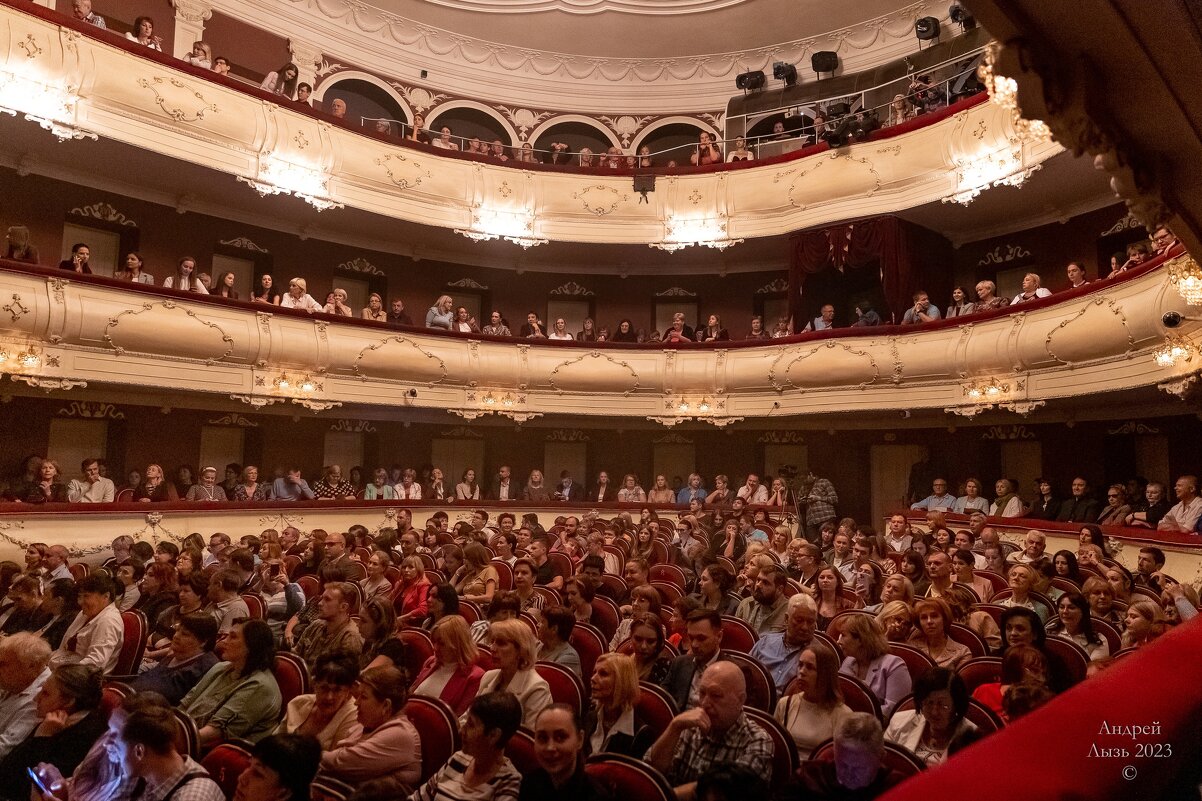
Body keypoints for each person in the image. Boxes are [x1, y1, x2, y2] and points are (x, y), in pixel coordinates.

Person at [645, 661, 773, 800]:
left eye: (716, 695)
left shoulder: (758, 740)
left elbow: (720, 791)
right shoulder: (690, 724)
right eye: (702, 693)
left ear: (741, 699)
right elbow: (651, 772)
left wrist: (662, 797)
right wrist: (674, 727)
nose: (705, 703)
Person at [0, 664, 107, 796]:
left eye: (45, 693)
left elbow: (25, 786)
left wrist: (42, 738)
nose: (35, 698)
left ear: (68, 702)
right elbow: (7, 769)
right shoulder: (57, 720)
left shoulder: (85, 737)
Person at [319, 665, 420, 795]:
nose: (356, 702)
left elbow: (343, 762)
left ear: (386, 705)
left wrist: (307, 754)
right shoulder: (368, 723)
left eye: (364, 697)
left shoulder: (401, 734)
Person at [180, 618, 281, 746]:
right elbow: (186, 704)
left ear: (252, 646)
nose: (223, 642)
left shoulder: (259, 685)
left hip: (214, 751)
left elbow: (214, 733)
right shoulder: (221, 668)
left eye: (232, 637)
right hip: (189, 734)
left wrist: (174, 740)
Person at [410, 691, 524, 801]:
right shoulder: (458, 759)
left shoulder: (507, 782)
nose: (461, 731)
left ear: (493, 735)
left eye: (470, 725)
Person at [775, 640, 852, 759]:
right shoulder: (785, 703)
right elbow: (776, 745)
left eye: (809, 667)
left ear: (825, 674)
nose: (801, 672)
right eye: (800, 665)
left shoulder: (843, 715)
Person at [883, 667, 975, 766]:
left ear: (957, 706)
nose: (934, 712)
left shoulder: (972, 739)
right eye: (929, 703)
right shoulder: (900, 721)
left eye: (943, 705)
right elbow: (883, 763)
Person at [522, 704, 615, 801]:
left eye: (560, 737)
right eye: (542, 738)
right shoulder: (529, 784)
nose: (550, 747)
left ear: (580, 739)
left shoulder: (597, 796)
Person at [471, 619, 551, 729]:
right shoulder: (488, 677)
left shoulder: (537, 689)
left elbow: (528, 740)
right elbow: (469, 718)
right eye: (492, 641)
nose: (492, 648)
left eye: (501, 643)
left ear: (521, 650)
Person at [130, 613, 220, 705]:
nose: (176, 636)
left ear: (203, 641)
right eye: (177, 630)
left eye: (185, 634)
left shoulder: (205, 668)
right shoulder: (175, 655)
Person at [836, 614, 911, 717]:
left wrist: (854, 718)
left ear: (860, 640)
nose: (839, 641)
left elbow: (894, 711)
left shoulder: (894, 665)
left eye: (843, 635)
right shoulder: (849, 662)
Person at [50, 573, 123, 673]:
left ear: (106, 596)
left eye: (87, 596)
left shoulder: (109, 620)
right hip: (63, 668)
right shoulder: (85, 613)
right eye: (80, 596)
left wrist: (62, 673)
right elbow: (63, 646)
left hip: (80, 679)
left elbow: (95, 663)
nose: (81, 602)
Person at [412, 616, 483, 716]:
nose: (435, 648)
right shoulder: (430, 662)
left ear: (457, 645)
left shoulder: (474, 677)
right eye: (434, 642)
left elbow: (458, 719)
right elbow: (410, 696)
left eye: (442, 644)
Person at [584, 653, 651, 758]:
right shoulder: (589, 717)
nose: (593, 678)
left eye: (603, 674)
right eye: (594, 672)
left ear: (622, 681)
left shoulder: (641, 734)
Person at [0, 632, 52, 761]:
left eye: (3, 664)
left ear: (31, 666)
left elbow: (5, 749)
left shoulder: (40, 698)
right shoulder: (15, 681)